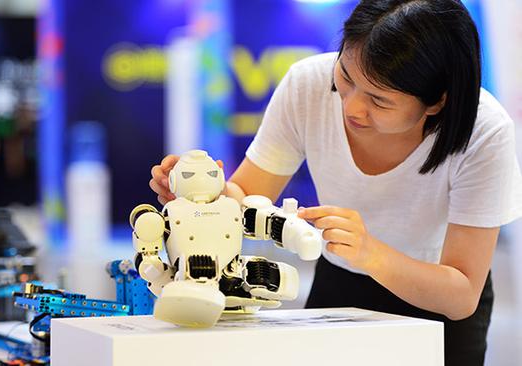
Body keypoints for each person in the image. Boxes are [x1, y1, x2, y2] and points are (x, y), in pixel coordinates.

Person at [149, 0, 522, 364]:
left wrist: (370, 252)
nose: (352, 107)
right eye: (345, 77)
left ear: (436, 102)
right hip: (340, 281)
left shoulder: (485, 132)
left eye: (378, 100)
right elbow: (246, 196)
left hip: (438, 297)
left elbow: (461, 294)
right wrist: (203, 195)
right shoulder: (308, 83)